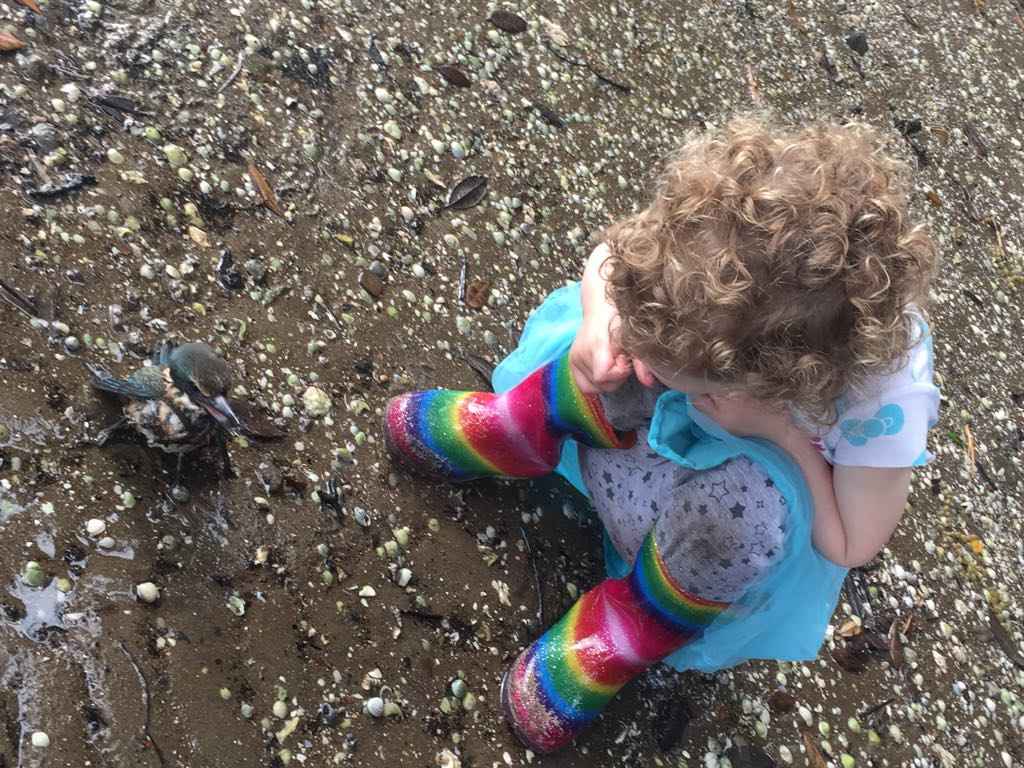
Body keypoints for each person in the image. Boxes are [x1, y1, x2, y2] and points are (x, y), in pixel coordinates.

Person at [383, 115, 939, 753]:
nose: (646, 354)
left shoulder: (881, 400)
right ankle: (520, 431)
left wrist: (777, 432)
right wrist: (602, 324)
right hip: (662, 433)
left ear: (762, 379)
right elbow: (610, 260)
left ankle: (639, 618)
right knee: (621, 348)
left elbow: (852, 542)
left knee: (751, 507)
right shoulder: (711, 246)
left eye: (672, 364)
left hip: (724, 511)